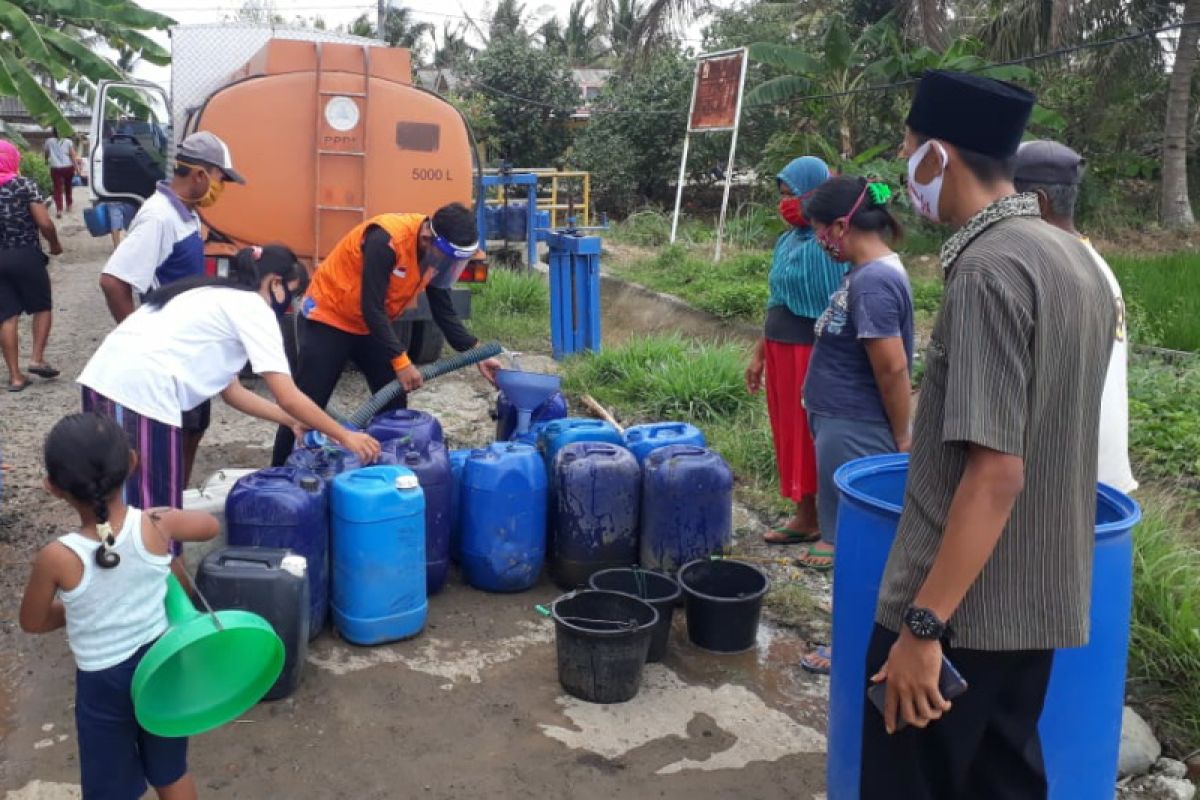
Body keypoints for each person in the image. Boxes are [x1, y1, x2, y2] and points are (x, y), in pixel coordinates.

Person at [862, 71, 1116, 799]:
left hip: (958, 616)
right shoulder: (1076, 261)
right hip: (1035, 602)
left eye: (909, 154)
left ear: (938, 156)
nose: (906, 176)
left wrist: (922, 628)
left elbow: (995, 472)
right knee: (1001, 783)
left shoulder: (987, 270)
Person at [79, 245, 380, 546]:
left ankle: (111, 563)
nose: (289, 304)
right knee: (157, 516)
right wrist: (345, 436)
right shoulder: (253, 307)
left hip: (106, 383)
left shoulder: (213, 294)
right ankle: (151, 580)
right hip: (140, 395)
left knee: (116, 500)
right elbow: (288, 395)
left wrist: (291, 422)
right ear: (275, 283)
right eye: (291, 293)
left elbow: (233, 392)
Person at [20, 413, 218, 800]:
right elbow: (209, 527)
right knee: (171, 770)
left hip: (103, 682)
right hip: (164, 664)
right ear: (132, 462)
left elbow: (33, 621)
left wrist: (84, 610)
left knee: (111, 789)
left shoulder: (57, 557)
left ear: (53, 488)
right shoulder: (158, 524)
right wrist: (168, 518)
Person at [270, 201, 502, 465]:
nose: (447, 266)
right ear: (427, 238)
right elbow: (372, 306)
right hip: (330, 319)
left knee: (393, 400)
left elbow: (443, 309)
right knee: (307, 406)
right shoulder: (386, 240)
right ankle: (278, 474)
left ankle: (385, 469)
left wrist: (477, 353)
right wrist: (402, 362)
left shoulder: (434, 255)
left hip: (369, 326)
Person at [794, 176, 914, 674]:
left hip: (857, 427)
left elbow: (892, 367)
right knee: (852, 538)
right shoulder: (867, 273)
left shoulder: (874, 281)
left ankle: (850, 649)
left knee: (857, 543)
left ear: (841, 226)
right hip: (842, 423)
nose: (820, 241)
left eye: (821, 230)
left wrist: (902, 434)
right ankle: (855, 631)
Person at [99, 130, 244, 484]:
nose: (221, 188)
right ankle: (160, 510)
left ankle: (174, 498)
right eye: (221, 179)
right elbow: (114, 281)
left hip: (189, 346)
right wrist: (137, 339)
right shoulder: (159, 217)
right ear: (199, 174)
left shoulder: (187, 214)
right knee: (170, 437)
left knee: (193, 427)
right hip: (168, 351)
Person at [1014, 139, 1138, 494]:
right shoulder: (1092, 262)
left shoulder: (1050, 269)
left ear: (1038, 201)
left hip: (1065, 480)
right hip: (1100, 471)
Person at [746, 156, 846, 546]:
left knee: (813, 435)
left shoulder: (832, 245)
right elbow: (777, 300)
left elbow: (838, 304)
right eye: (782, 195)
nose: (785, 203)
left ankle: (826, 521)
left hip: (815, 350)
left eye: (792, 195)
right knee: (788, 432)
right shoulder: (786, 241)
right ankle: (805, 515)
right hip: (780, 348)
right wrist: (759, 354)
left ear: (814, 194)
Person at [0, 139, 62, 392]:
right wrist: (55, 245)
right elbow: (44, 223)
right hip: (25, 253)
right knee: (42, 305)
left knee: (6, 316)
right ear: (13, 159)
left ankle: (15, 376)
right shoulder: (24, 185)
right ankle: (36, 358)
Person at [43, 131, 78, 219]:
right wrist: (76, 167)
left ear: (53, 132)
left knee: (57, 188)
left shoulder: (49, 141)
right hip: (68, 167)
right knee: (68, 186)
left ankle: (59, 210)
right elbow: (72, 155)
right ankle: (69, 205)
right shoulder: (68, 141)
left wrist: (46, 160)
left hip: (55, 167)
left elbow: (46, 153)